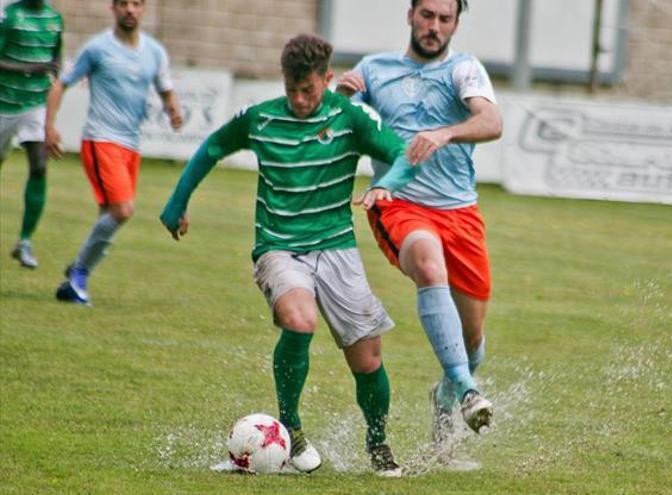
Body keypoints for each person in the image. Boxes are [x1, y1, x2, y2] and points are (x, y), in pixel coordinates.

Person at [160, 34, 421, 477]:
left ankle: (378, 442)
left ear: (327, 79)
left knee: (368, 360)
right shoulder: (260, 120)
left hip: (336, 248)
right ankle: (292, 428)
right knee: (300, 321)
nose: (299, 100)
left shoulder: (350, 118)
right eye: (291, 90)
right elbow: (212, 148)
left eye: (309, 90)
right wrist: (176, 203)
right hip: (278, 247)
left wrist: (386, 185)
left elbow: (402, 154)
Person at [336, 0, 502, 443]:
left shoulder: (464, 70)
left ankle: (447, 395)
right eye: (427, 15)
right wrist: (341, 97)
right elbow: (331, 126)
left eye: (444, 19)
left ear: (455, 24)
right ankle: (467, 390)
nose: (434, 26)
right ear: (410, 15)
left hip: (461, 212)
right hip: (399, 202)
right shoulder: (374, 69)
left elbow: (491, 120)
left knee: (472, 340)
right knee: (429, 266)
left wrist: (446, 132)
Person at [44, 0, 182, 305]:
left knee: (108, 218)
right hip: (100, 140)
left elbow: (165, 87)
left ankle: (76, 282)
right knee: (123, 210)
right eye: (123, 4)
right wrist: (49, 127)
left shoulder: (154, 52)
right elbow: (60, 84)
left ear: (143, 9)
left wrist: (172, 107)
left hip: (131, 146)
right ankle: (79, 273)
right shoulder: (97, 48)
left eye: (136, 4)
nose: (129, 10)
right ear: (113, 8)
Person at [0, 0, 63, 269]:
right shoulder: (10, 15)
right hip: (4, 102)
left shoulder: (55, 19)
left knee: (39, 167)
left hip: (35, 105)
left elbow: (57, 60)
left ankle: (25, 241)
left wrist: (53, 72)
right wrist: (28, 69)